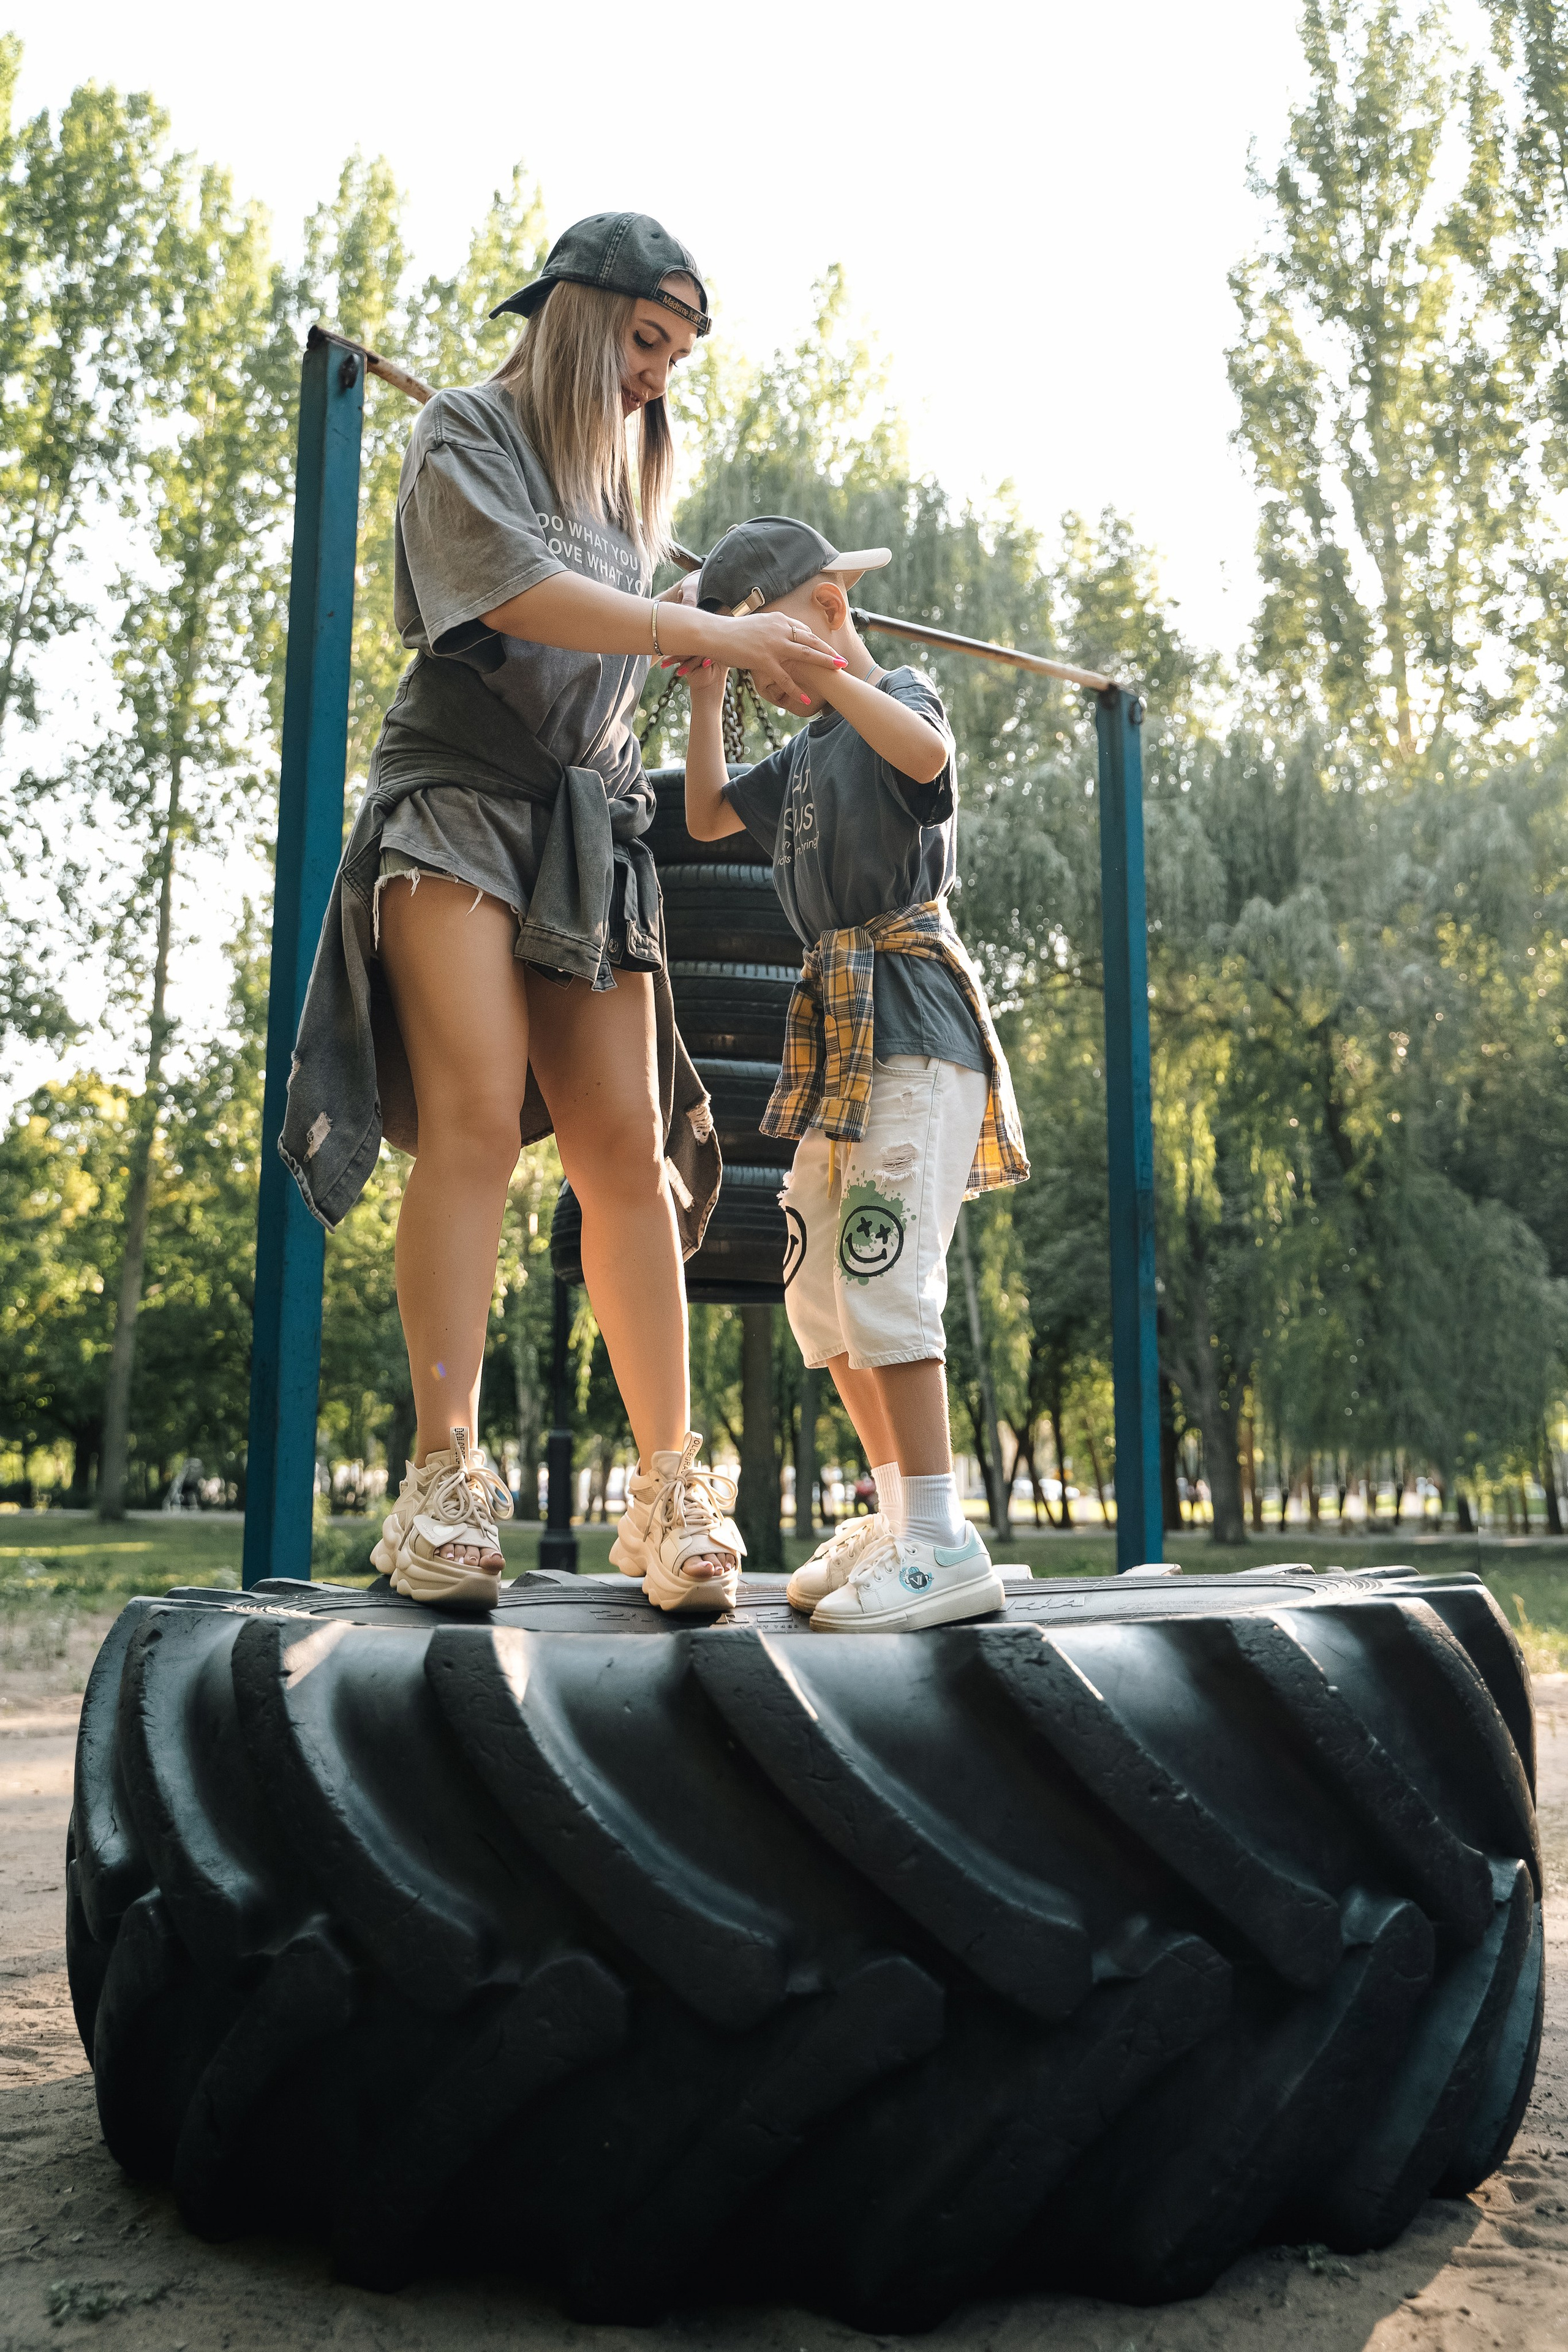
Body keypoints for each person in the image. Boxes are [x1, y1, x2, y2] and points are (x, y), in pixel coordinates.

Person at [279, 222, 845, 1616]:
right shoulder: (465, 435)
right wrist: (710, 633)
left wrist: (750, 657)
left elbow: (647, 638)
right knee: (474, 1118)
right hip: (458, 805)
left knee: (627, 1150)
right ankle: (441, 1481)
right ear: (579, 319)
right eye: (646, 342)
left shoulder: (632, 484)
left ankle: (669, 1491)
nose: (659, 377)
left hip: (586, 829)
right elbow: (529, 601)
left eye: (677, 356)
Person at [682, 516, 1030, 1631]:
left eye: (768, 644)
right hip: (838, 1036)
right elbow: (700, 814)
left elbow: (928, 761)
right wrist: (705, 683)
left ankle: (939, 1539)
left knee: (883, 1270)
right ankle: (896, 1517)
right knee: (819, 1289)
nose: (766, 678)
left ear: (829, 607)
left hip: (914, 1028)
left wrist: (827, 678)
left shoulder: (902, 696)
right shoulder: (800, 754)